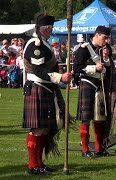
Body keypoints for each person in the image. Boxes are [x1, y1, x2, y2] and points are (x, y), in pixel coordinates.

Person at [22, 14, 72, 175]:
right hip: (37, 87)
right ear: (38, 29)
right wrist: (60, 77)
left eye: (51, 28)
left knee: (44, 129)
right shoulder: (36, 45)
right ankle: (33, 165)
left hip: (46, 88)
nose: (49, 31)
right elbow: (38, 70)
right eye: (47, 28)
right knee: (37, 128)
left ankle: (39, 163)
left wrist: (61, 74)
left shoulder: (44, 43)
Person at [73, 26, 116, 158]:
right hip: (87, 83)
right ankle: (85, 149)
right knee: (86, 118)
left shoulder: (106, 49)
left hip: (101, 85)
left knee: (100, 119)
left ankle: (99, 148)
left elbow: (108, 68)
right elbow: (77, 69)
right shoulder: (83, 49)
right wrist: (94, 68)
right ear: (97, 35)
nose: (106, 40)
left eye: (107, 38)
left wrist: (106, 59)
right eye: (104, 37)